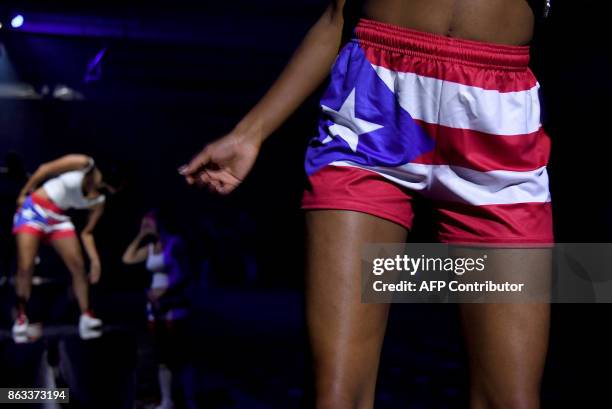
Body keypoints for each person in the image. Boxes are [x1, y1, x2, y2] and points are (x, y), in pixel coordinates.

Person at [180, 1, 553, 408]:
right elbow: (338, 14)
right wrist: (250, 132)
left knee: (511, 400)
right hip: (374, 98)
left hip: (496, 122)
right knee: (339, 396)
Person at [12, 154, 120, 343]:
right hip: (35, 207)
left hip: (58, 218)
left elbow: (87, 233)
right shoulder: (84, 164)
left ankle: (86, 316)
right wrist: (24, 193)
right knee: (26, 266)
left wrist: (95, 261)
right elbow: (45, 169)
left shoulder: (99, 200)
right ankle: (21, 318)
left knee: (78, 266)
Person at [122, 210, 195, 409]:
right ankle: (167, 400)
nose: (145, 226)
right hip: (155, 307)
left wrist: (164, 292)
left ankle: (189, 398)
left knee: (179, 355)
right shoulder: (150, 247)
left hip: (173, 302)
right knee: (162, 356)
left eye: (149, 223)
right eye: (143, 223)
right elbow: (127, 258)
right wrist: (140, 236)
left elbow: (185, 272)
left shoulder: (174, 243)